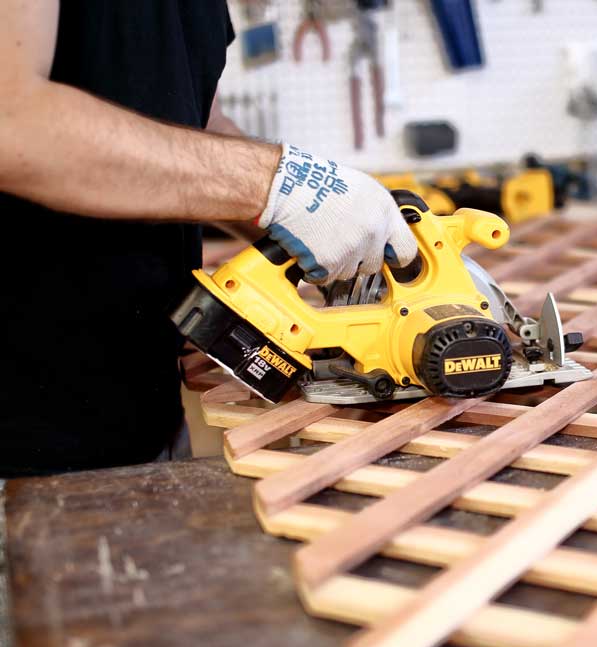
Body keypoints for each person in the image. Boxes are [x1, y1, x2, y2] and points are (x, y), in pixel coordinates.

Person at [0, 1, 417, 476]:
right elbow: (11, 122)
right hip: (19, 443)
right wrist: (280, 181)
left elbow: (197, 121)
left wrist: (332, 221)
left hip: (138, 412)